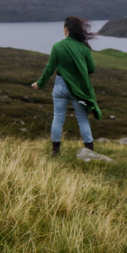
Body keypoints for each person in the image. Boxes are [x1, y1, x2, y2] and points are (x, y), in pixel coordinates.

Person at [31, 16, 103, 156]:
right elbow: (92, 69)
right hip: (78, 88)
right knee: (82, 119)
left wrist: (39, 84)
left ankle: (55, 150)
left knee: (58, 118)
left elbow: (50, 68)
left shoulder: (58, 46)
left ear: (66, 29)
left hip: (60, 86)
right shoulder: (83, 48)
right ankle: (89, 150)